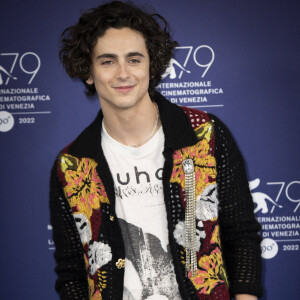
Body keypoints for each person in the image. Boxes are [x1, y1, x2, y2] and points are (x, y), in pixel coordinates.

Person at [50, 1, 263, 299]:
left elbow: (241, 235)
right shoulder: (72, 166)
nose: (123, 73)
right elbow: (72, 269)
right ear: (88, 71)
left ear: (152, 65)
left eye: (134, 59)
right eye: (108, 61)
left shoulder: (205, 135)